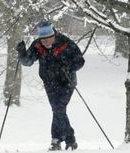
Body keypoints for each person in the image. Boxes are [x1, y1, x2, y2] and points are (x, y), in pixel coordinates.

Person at [16, 20, 85, 151]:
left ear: (53, 34)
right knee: (58, 110)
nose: (45, 42)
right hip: (49, 83)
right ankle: (70, 139)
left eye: (48, 39)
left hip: (67, 82)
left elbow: (80, 61)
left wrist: (68, 66)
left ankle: (56, 140)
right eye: (43, 40)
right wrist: (21, 53)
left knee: (58, 108)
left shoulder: (66, 43)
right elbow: (27, 61)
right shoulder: (37, 45)